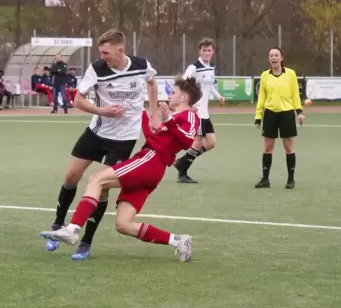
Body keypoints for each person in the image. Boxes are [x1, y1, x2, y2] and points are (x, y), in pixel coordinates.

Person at [40, 76, 202, 262]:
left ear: (184, 98)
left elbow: (188, 140)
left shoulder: (189, 115)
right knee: (123, 224)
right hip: (152, 167)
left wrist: (169, 121)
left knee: (97, 179)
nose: (169, 96)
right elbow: (152, 134)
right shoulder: (175, 117)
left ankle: (73, 228)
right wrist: (138, 111)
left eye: (173, 93)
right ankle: (178, 241)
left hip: (151, 160)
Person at [42, 29, 160, 260]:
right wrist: (101, 110)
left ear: (120, 50)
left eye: (106, 52)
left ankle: (86, 242)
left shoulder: (142, 65)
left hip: (124, 139)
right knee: (70, 177)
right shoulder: (96, 69)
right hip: (97, 131)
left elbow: (152, 84)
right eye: (101, 52)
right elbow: (77, 100)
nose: (103, 56)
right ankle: (57, 226)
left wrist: (154, 115)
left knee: (102, 186)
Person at [174, 37, 225, 184]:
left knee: (211, 143)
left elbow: (210, 86)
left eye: (209, 50)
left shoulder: (210, 67)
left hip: (205, 112)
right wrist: (188, 104)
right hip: (197, 112)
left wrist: (218, 96)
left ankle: (182, 162)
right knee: (198, 142)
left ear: (213, 52)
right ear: (200, 51)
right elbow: (182, 85)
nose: (207, 53)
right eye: (204, 50)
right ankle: (182, 172)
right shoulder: (194, 67)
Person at [254, 47, 305, 189]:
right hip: (270, 114)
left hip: (287, 114)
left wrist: (299, 112)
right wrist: (258, 116)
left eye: (276, 55)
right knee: (268, 148)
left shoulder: (291, 74)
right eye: (271, 55)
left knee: (288, 148)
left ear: (281, 58)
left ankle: (290, 179)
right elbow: (262, 98)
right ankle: (265, 180)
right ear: (269, 59)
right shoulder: (265, 75)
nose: (273, 58)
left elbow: (295, 94)